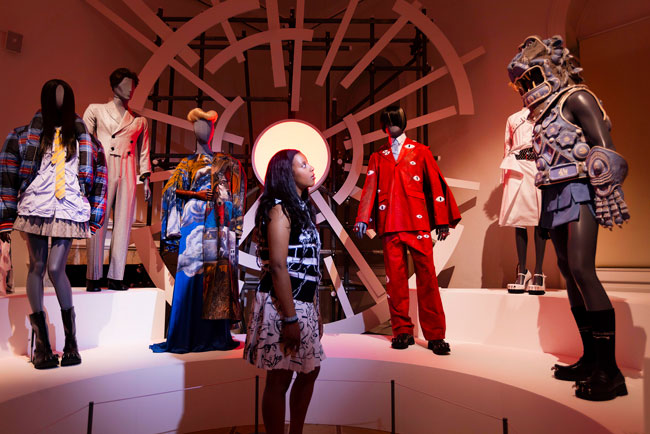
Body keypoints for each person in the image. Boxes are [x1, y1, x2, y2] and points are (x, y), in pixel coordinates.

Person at [508, 35, 630, 401]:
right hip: (552, 193)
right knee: (568, 271)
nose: (527, 88)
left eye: (530, 78)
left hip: (578, 190)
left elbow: (604, 148)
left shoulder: (577, 98)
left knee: (581, 269)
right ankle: (591, 358)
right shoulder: (544, 114)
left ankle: (610, 372)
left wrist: (606, 187)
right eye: (522, 84)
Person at [0, 79, 107, 369]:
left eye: (65, 96)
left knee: (56, 267)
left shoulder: (84, 139)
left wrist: (96, 214)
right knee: (37, 266)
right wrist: (6, 218)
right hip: (36, 205)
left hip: (68, 207)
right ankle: (43, 344)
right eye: (55, 96)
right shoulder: (24, 135)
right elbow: (7, 173)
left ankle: (71, 341)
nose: (60, 101)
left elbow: (99, 178)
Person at [354, 106, 461, 355]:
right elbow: (370, 187)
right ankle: (401, 331)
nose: (392, 123)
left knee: (428, 280)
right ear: (383, 125)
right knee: (395, 282)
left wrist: (442, 219)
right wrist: (363, 218)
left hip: (417, 221)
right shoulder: (378, 156)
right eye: (388, 121)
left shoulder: (421, 151)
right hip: (390, 221)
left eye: (396, 119)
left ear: (403, 122)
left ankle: (435, 335)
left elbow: (435, 183)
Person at [244, 149, 324, 434]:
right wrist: (290, 319)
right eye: (303, 164)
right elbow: (278, 266)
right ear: (286, 174)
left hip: (302, 303)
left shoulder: (301, 207)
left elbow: (310, 265)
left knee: (309, 370)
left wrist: (315, 311)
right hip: (283, 305)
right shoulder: (279, 208)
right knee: (279, 379)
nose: (311, 168)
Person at [151, 108, 242, 353]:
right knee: (191, 277)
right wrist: (197, 194)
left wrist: (232, 224)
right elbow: (171, 190)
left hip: (217, 224)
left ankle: (214, 335)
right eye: (197, 126)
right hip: (193, 223)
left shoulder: (226, 162)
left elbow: (235, 194)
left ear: (212, 130)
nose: (201, 130)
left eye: (206, 125)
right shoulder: (187, 164)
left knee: (216, 278)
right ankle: (187, 334)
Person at [84, 68, 152, 292]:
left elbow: (144, 152)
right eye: (126, 84)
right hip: (102, 167)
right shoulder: (96, 110)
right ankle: (93, 276)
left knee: (123, 222)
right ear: (114, 85)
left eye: (133, 86)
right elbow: (84, 141)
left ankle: (116, 275)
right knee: (98, 221)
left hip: (127, 168)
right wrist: (85, 173)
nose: (130, 90)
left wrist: (146, 178)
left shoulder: (139, 120)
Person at [499, 107, 547, 294]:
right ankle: (522, 271)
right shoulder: (513, 118)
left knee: (540, 219)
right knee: (518, 220)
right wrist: (504, 178)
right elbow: (507, 147)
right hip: (518, 167)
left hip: (539, 167)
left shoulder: (547, 115)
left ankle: (539, 272)